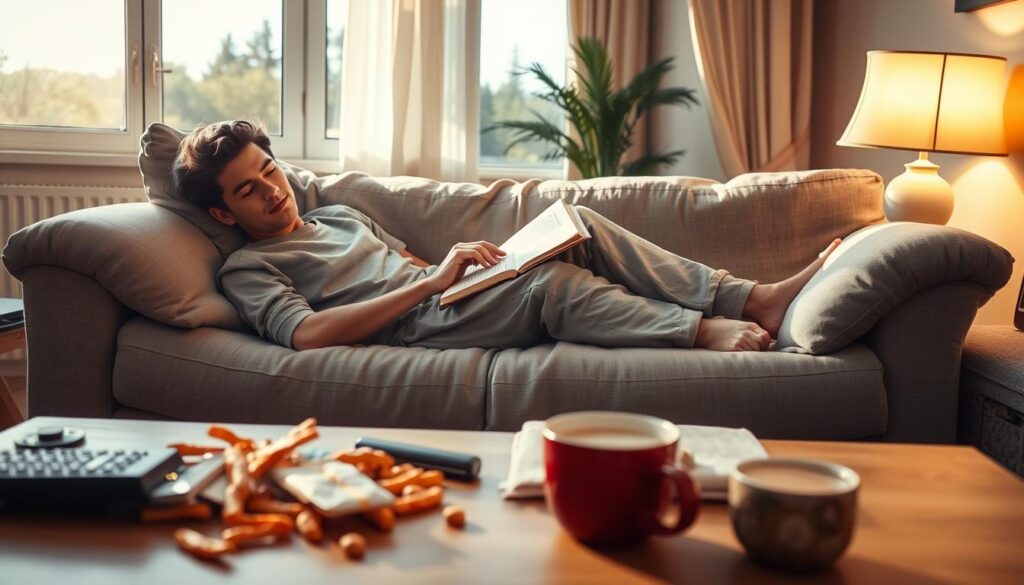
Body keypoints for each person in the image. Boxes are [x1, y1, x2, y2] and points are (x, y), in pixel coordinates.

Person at [173, 121, 839, 353]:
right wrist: (434, 284)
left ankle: (750, 298)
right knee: (551, 286)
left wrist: (475, 267)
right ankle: (702, 331)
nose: (272, 190)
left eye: (269, 171)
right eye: (248, 190)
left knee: (578, 224)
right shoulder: (247, 268)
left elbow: (410, 263)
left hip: (447, 295)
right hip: (415, 324)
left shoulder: (338, 217)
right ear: (224, 214)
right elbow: (307, 335)